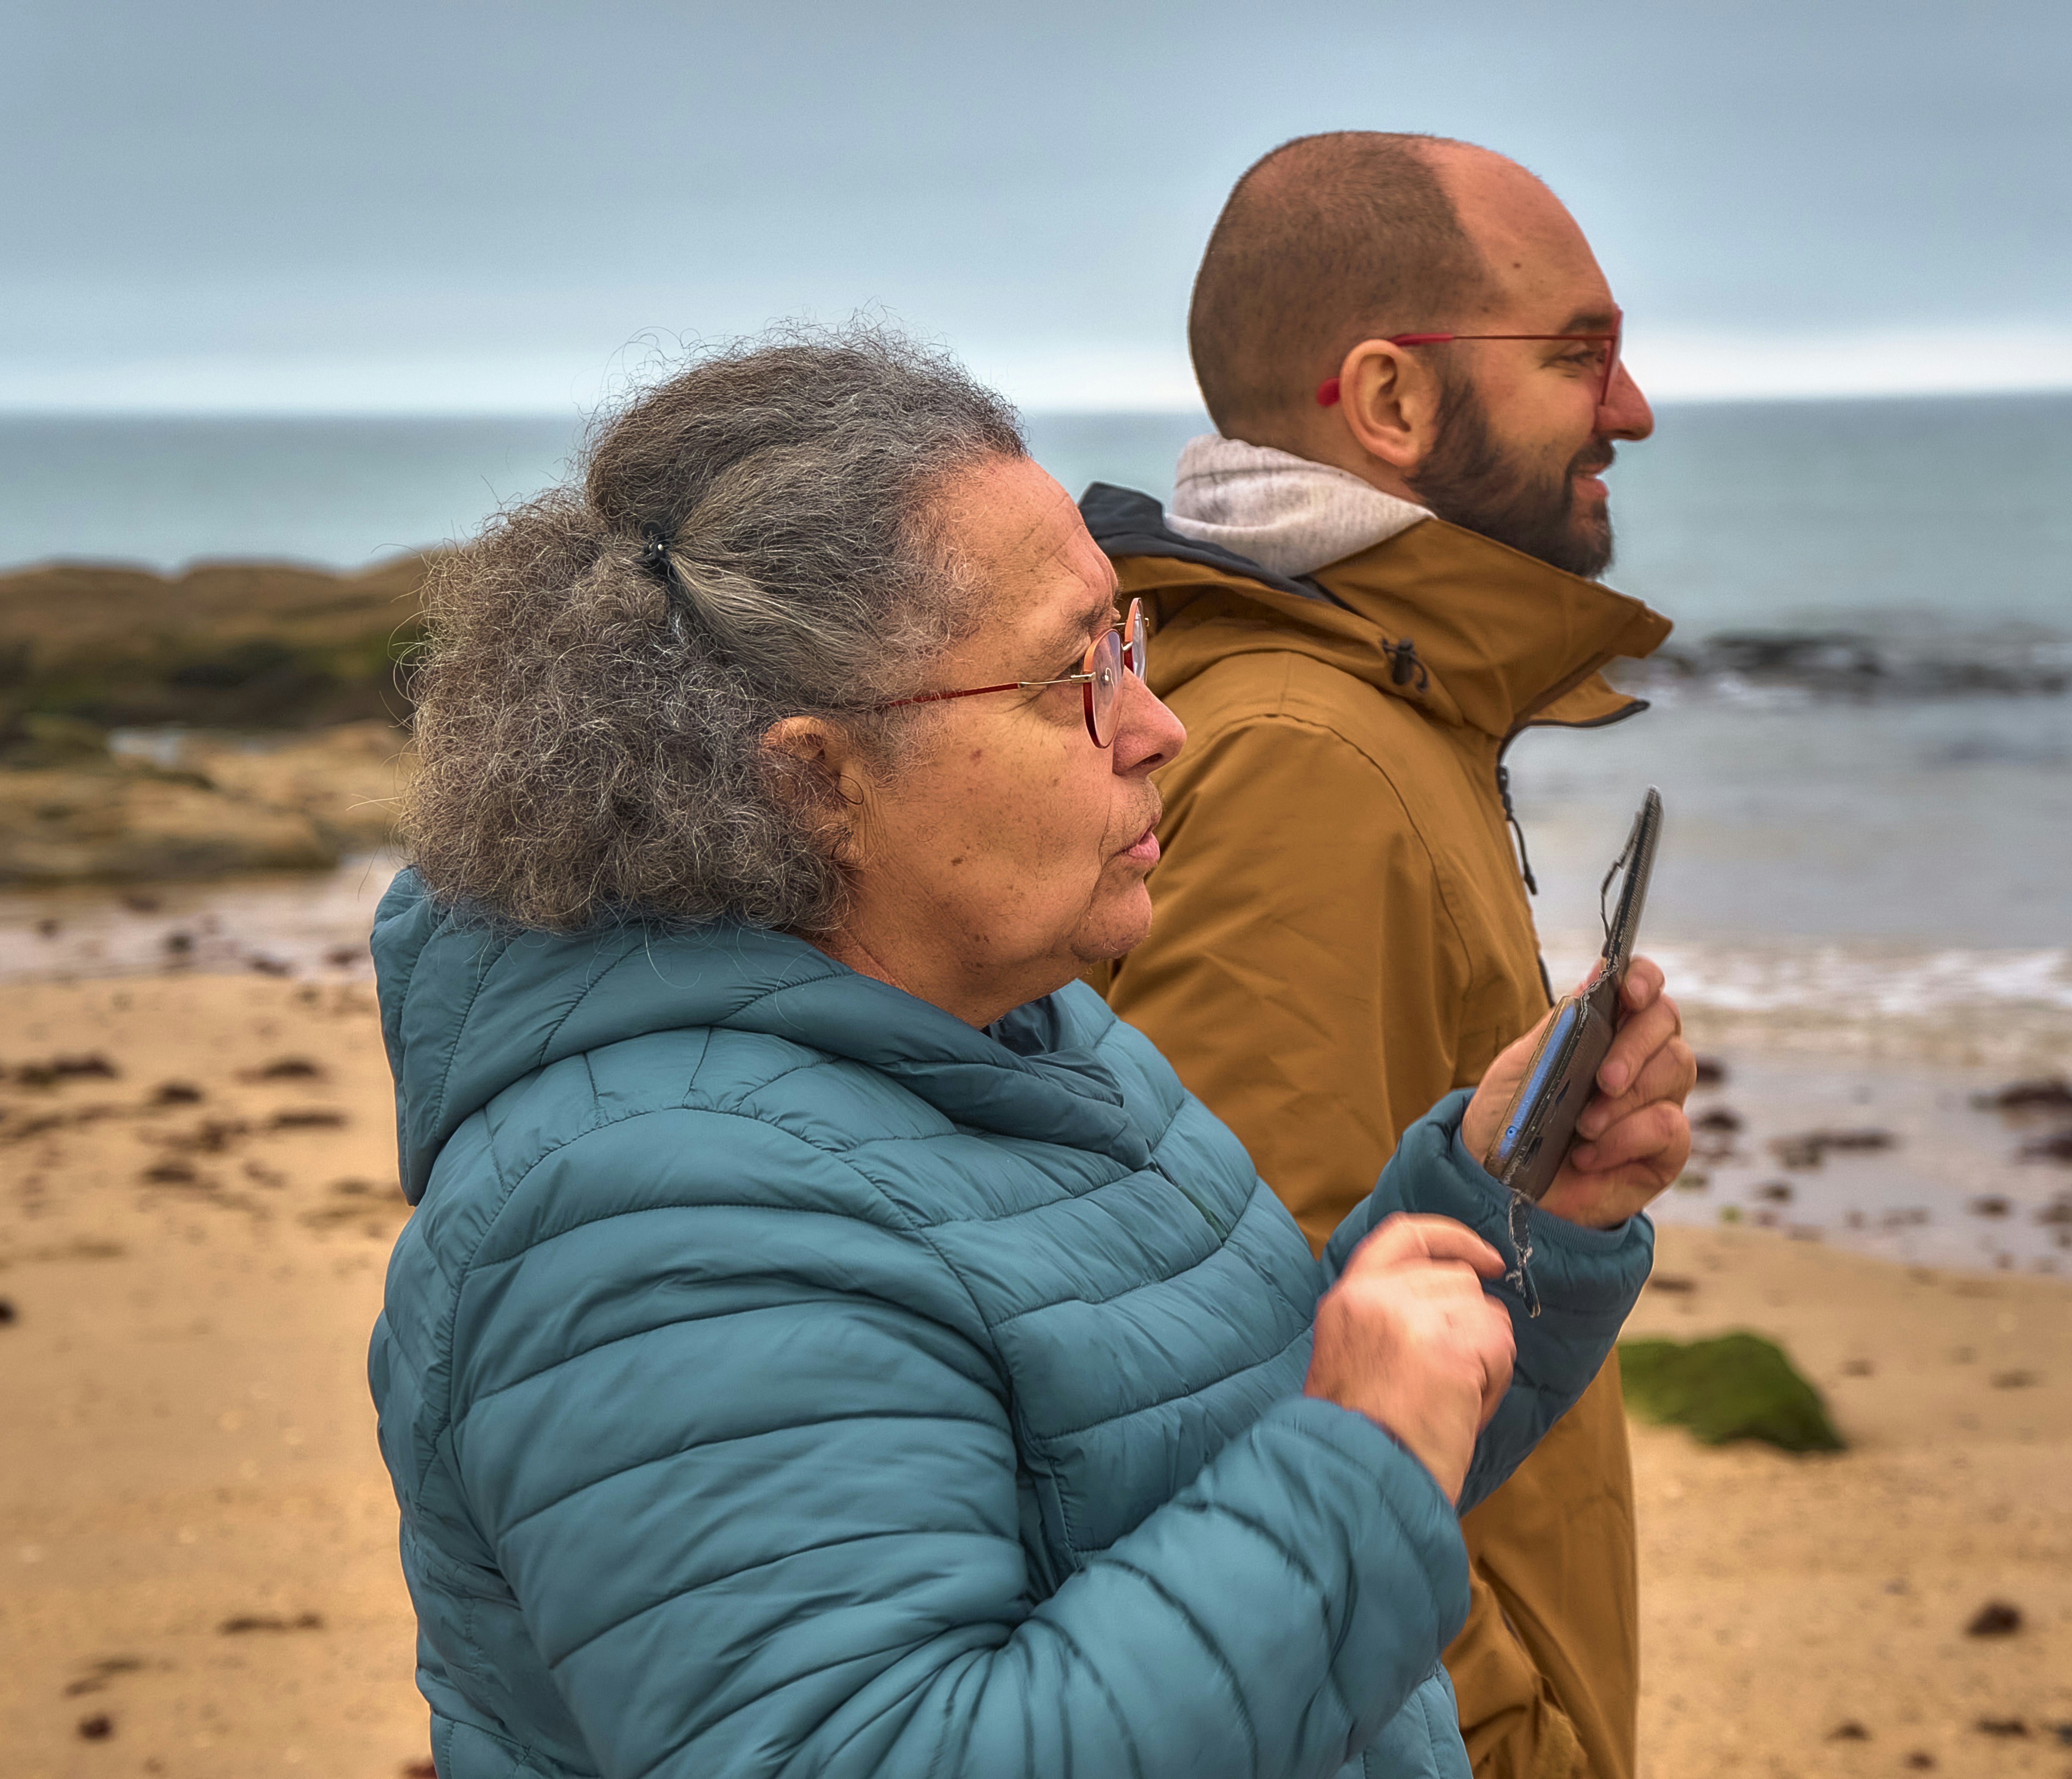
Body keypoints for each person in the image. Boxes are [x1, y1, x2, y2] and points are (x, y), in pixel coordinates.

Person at [367, 327, 1696, 1779]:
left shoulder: (1016, 1031)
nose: (1159, 725)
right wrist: (1361, 1461)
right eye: (1071, 676)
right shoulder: (646, 1228)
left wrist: (1500, 1225)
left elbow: (1163, 1467)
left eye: (1127, 643)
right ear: (814, 783)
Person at [1081, 133, 1677, 1779]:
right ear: (1392, 400)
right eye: (1582, 355)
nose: (1630, 409)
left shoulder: (1333, 696)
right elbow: (1227, 1379)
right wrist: (1511, 1740)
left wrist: (1537, 1191)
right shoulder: (1308, 754)